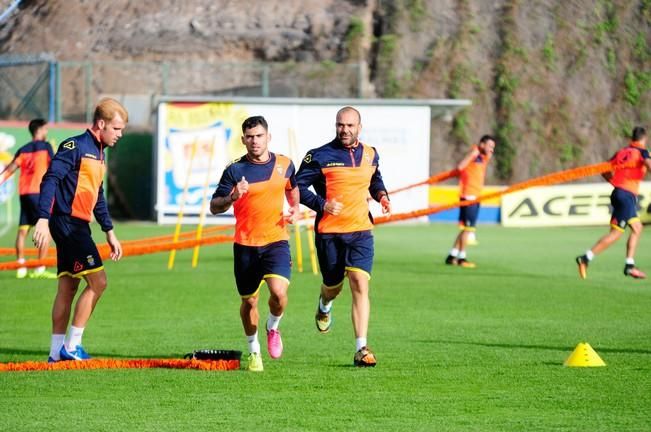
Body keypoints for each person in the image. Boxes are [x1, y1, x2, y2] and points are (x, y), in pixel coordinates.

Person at [32, 98, 126, 362]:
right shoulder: (74, 146)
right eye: (116, 129)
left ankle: (55, 353)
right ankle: (72, 347)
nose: (120, 134)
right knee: (99, 281)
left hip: (76, 224)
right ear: (101, 124)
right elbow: (50, 178)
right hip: (68, 224)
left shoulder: (99, 153)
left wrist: (109, 231)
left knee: (67, 287)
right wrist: (42, 218)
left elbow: (98, 195)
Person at [296, 106, 391, 367]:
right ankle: (324, 304)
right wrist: (321, 204)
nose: (344, 130)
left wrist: (382, 195)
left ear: (359, 127)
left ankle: (362, 348)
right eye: (340, 125)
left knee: (360, 282)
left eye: (350, 125)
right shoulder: (319, 156)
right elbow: (296, 187)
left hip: (361, 231)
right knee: (333, 286)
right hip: (329, 234)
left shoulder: (370, 154)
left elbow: (375, 178)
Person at [210, 116, 300, 372]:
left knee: (279, 293)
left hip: (276, 241)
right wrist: (232, 196)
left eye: (259, 136)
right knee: (249, 302)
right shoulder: (234, 171)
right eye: (249, 137)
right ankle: (254, 351)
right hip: (246, 246)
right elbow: (214, 207)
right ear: (243, 140)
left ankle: (273, 327)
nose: (254, 141)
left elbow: (292, 188)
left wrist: (293, 208)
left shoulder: (285, 164)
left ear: (268, 137)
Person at [576, 126, 651, 279]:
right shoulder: (643, 151)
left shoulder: (621, 152)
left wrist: (617, 185)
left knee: (637, 227)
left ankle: (629, 265)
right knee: (616, 233)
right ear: (644, 138)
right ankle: (585, 258)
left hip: (620, 194)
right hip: (626, 196)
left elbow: (604, 170)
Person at [0, 119, 57, 279]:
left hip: (24, 194)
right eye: (45, 129)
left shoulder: (22, 150)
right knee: (47, 229)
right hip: (39, 194)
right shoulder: (46, 148)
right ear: (39, 130)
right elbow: (55, 166)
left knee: (23, 231)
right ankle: (40, 267)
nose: (46, 132)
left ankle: (20, 266)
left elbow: (10, 170)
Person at [444, 135, 496, 268]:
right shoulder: (475, 154)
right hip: (468, 196)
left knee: (465, 229)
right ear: (482, 144)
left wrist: (484, 152)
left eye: (493, 147)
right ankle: (462, 258)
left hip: (476, 196)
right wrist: (473, 154)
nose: (492, 150)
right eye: (490, 146)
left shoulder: (484, 157)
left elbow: (486, 155)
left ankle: (452, 255)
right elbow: (460, 167)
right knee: (468, 228)